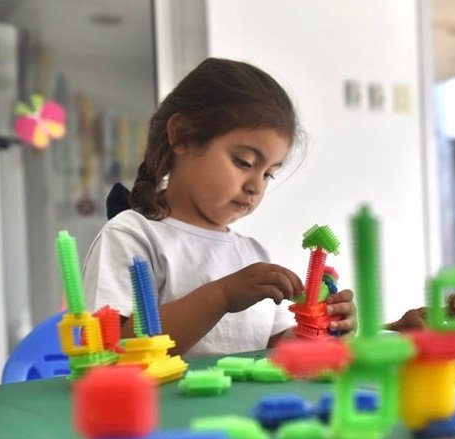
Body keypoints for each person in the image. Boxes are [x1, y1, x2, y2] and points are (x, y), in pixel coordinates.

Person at [82, 58, 354, 357]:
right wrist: (220, 297)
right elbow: (113, 351)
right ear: (183, 135)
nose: (256, 186)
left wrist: (324, 328)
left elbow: (274, 349)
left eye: (268, 174)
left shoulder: (252, 254)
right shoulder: (133, 236)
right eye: (244, 162)